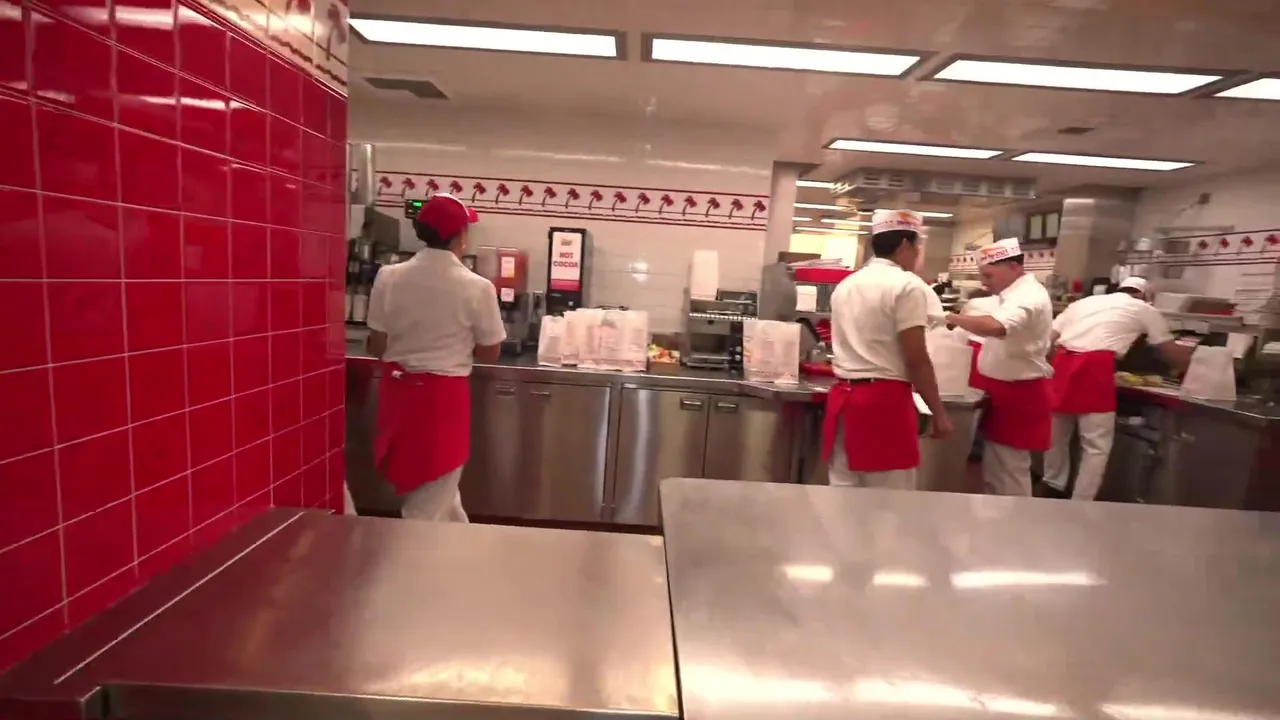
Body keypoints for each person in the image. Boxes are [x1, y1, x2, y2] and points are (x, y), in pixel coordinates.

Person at [365, 194, 505, 521]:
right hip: (441, 402)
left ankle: (456, 547)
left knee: (439, 494)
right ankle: (410, 553)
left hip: (398, 397)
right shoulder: (477, 287)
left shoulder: (388, 276)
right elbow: (491, 351)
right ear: (461, 236)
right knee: (427, 506)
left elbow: (377, 344)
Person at [823, 209, 953, 490]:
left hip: (845, 399)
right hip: (883, 404)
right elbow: (916, 359)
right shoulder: (907, 286)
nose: (917, 253)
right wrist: (939, 413)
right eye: (917, 246)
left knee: (842, 492)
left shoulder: (847, 284)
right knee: (890, 499)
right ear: (904, 245)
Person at [1044, 276, 1191, 500]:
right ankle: (1081, 500)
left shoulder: (1083, 303)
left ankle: (1052, 486)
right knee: (1096, 445)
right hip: (1095, 367)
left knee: (1056, 437)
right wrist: (1190, 367)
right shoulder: (1143, 308)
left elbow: (1048, 340)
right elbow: (1168, 349)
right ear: (1145, 296)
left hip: (1063, 363)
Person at [945, 238, 1053, 496]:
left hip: (1019, 393)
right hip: (1003, 389)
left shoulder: (1029, 296)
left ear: (1014, 267)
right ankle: (999, 517)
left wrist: (950, 316)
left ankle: (1014, 519)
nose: (984, 283)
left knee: (1009, 470)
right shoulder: (1011, 295)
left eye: (989, 275)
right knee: (996, 469)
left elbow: (996, 326)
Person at [960, 289, 1000, 391]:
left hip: (976, 344)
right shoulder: (1008, 302)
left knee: (975, 384)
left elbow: (961, 320)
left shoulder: (973, 303)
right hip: (996, 345)